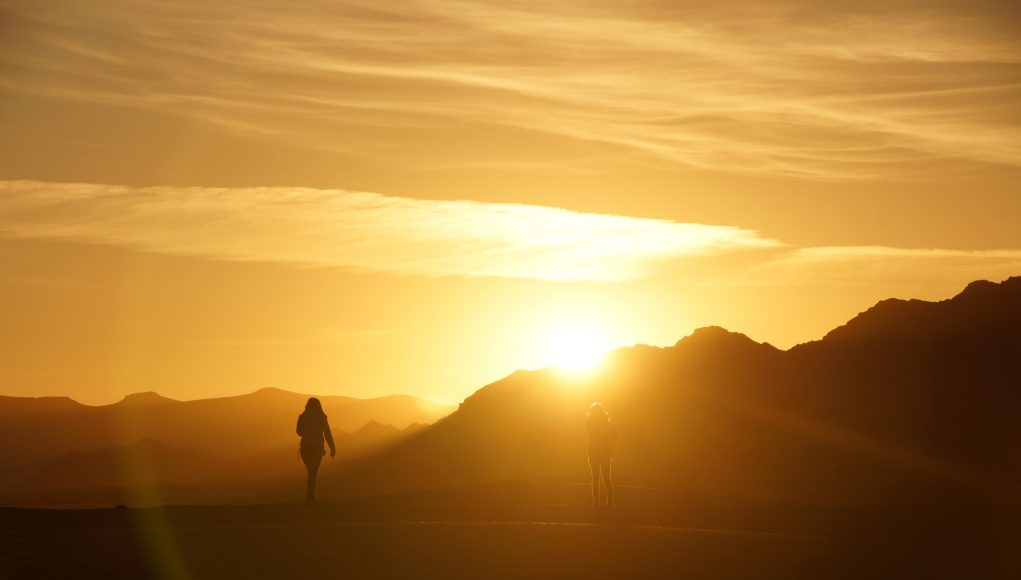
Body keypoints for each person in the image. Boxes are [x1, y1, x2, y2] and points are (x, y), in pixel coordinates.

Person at [296, 397, 336, 504]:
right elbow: (327, 433)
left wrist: (307, 431)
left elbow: (298, 432)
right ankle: (310, 496)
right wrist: (332, 447)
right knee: (313, 472)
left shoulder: (302, 416)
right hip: (317, 447)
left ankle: (310, 496)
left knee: (310, 471)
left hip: (305, 447)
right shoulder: (322, 416)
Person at [585, 402, 617, 507]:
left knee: (595, 478)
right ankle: (610, 502)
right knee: (607, 477)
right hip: (605, 452)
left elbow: (587, 427)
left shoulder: (591, 422)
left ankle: (596, 503)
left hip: (594, 452)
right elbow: (615, 435)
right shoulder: (606, 423)